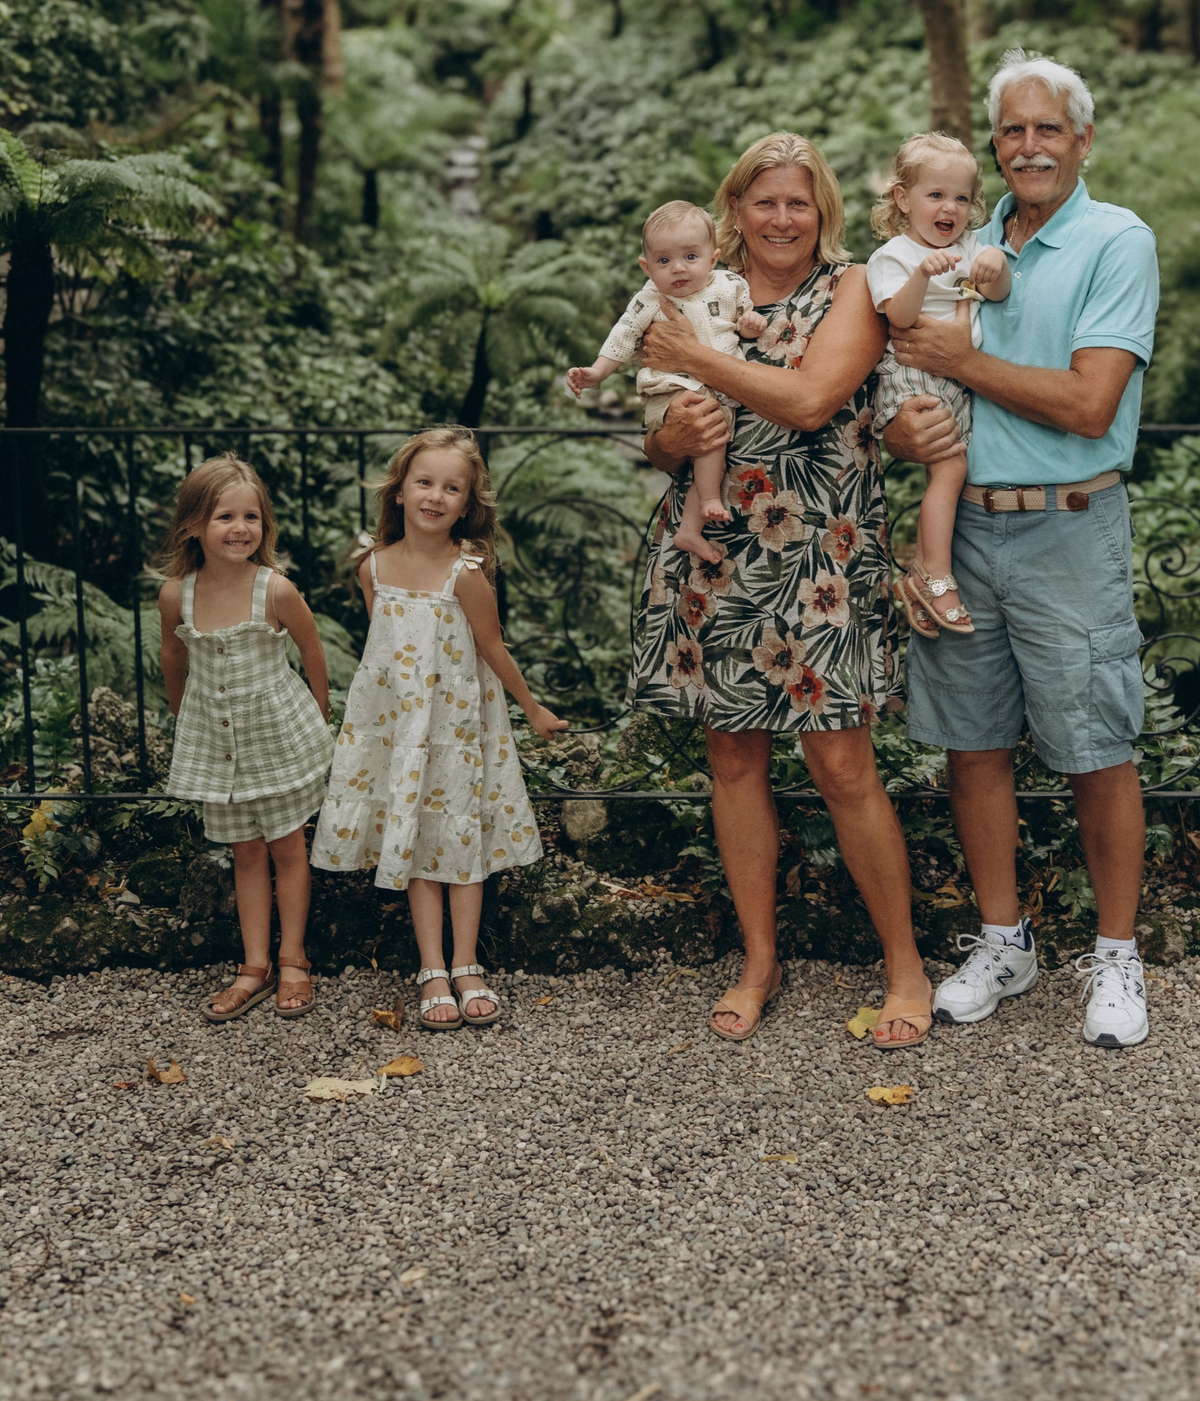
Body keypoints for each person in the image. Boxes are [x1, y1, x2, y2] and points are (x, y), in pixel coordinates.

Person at [628, 132, 934, 1049]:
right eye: (764, 202)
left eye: (799, 202)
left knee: (843, 766)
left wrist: (696, 356)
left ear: (823, 211)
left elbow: (809, 400)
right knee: (732, 762)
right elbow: (657, 443)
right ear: (736, 210)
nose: (781, 218)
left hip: (820, 555)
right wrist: (675, 431)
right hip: (717, 547)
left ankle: (906, 967)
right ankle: (758, 958)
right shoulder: (699, 288)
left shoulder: (850, 288)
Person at [881, 51, 1161, 1049]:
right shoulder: (958, 236)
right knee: (972, 745)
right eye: (1011, 130)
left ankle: (1117, 955)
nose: (1029, 147)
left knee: (1096, 746)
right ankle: (1005, 940)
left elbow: (1091, 406)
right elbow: (902, 386)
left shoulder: (1114, 241)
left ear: (1081, 138)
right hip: (960, 529)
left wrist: (965, 361)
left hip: (1067, 526)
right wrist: (898, 434)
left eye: (1047, 129)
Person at [313, 428, 568, 1030]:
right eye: (424, 482)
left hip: (456, 727)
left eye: (452, 488)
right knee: (416, 833)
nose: (436, 496)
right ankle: (431, 966)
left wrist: (532, 708)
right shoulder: (372, 567)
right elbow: (389, 650)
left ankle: (466, 961)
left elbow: (490, 646)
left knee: (459, 835)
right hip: (402, 729)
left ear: (467, 502)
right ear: (398, 491)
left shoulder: (467, 572)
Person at [157, 455, 337, 1023]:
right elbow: (173, 656)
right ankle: (253, 966)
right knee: (245, 853)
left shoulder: (274, 591)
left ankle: (293, 960)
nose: (240, 528)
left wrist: (319, 717)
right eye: (223, 517)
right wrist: (183, 719)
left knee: (288, 847)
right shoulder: (176, 596)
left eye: (251, 517)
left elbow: (311, 651)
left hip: (277, 739)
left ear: (264, 525)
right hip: (219, 746)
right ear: (192, 526)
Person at [862, 132, 1012, 636]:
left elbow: (995, 290)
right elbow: (898, 317)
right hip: (913, 375)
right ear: (903, 199)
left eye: (962, 198)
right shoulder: (895, 256)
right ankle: (938, 576)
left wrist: (997, 266)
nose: (950, 208)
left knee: (951, 471)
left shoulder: (971, 245)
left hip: (958, 376)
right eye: (935, 195)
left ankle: (922, 575)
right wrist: (923, 275)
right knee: (950, 470)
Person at [566, 201, 769, 565]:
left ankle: (690, 529)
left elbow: (742, 321)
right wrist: (596, 373)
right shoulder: (650, 300)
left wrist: (750, 324)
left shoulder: (729, 286)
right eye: (663, 261)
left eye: (691, 256)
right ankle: (707, 503)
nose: (678, 268)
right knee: (710, 442)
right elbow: (623, 336)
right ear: (646, 267)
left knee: (712, 445)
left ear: (713, 257)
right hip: (671, 389)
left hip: (720, 390)